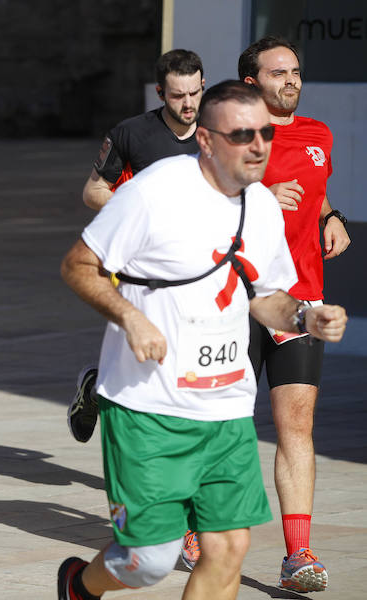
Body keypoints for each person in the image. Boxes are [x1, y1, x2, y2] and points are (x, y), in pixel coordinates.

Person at [58, 80, 347, 600]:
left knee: (229, 548)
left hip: (227, 409)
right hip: (150, 408)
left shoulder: (261, 206)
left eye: (263, 132)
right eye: (242, 135)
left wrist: (306, 317)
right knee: (148, 561)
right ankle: (81, 585)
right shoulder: (153, 192)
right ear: (208, 141)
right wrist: (131, 317)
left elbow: (267, 297)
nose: (259, 144)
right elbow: (79, 265)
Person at [181, 37, 351, 593]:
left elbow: (315, 191)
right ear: (252, 82)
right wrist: (257, 194)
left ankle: (298, 554)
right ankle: (191, 524)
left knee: (296, 425)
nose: (292, 80)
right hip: (234, 300)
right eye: (280, 73)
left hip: (299, 301)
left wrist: (331, 215)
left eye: (296, 71)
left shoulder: (318, 134)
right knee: (222, 426)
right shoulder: (234, 139)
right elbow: (200, 204)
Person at [69, 50, 206, 444]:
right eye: (178, 95)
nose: (188, 104)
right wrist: (143, 212)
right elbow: (93, 191)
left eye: (195, 93)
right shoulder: (131, 133)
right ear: (161, 93)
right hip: (139, 264)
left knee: (180, 355)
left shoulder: (216, 131)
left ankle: (101, 386)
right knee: (145, 354)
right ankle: (103, 392)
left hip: (199, 264)